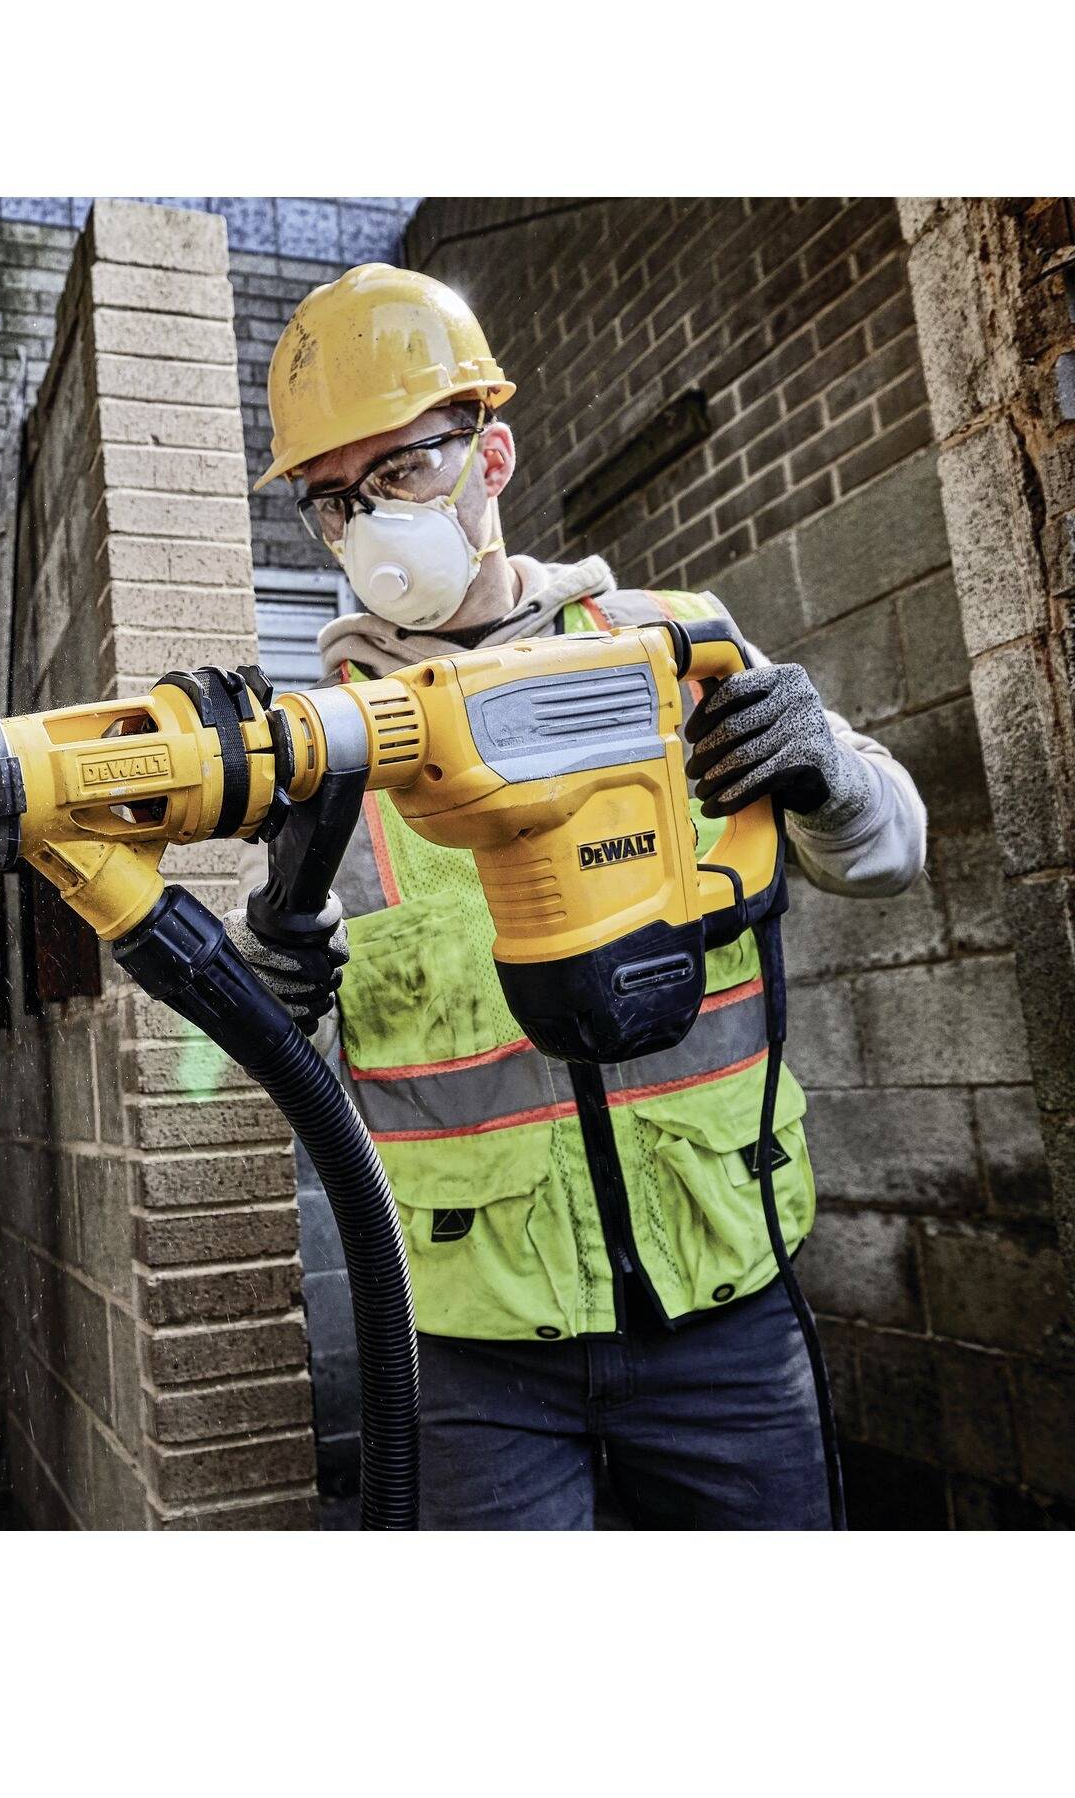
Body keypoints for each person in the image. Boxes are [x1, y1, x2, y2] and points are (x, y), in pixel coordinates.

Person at [231, 265, 926, 1530]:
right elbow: (265, 1060)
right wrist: (261, 993)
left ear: (488, 456)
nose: (368, 524)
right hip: (479, 1351)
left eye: (401, 470)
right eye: (333, 500)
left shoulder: (673, 646)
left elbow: (885, 853)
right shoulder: (321, 753)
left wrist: (820, 761)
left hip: (728, 1306)